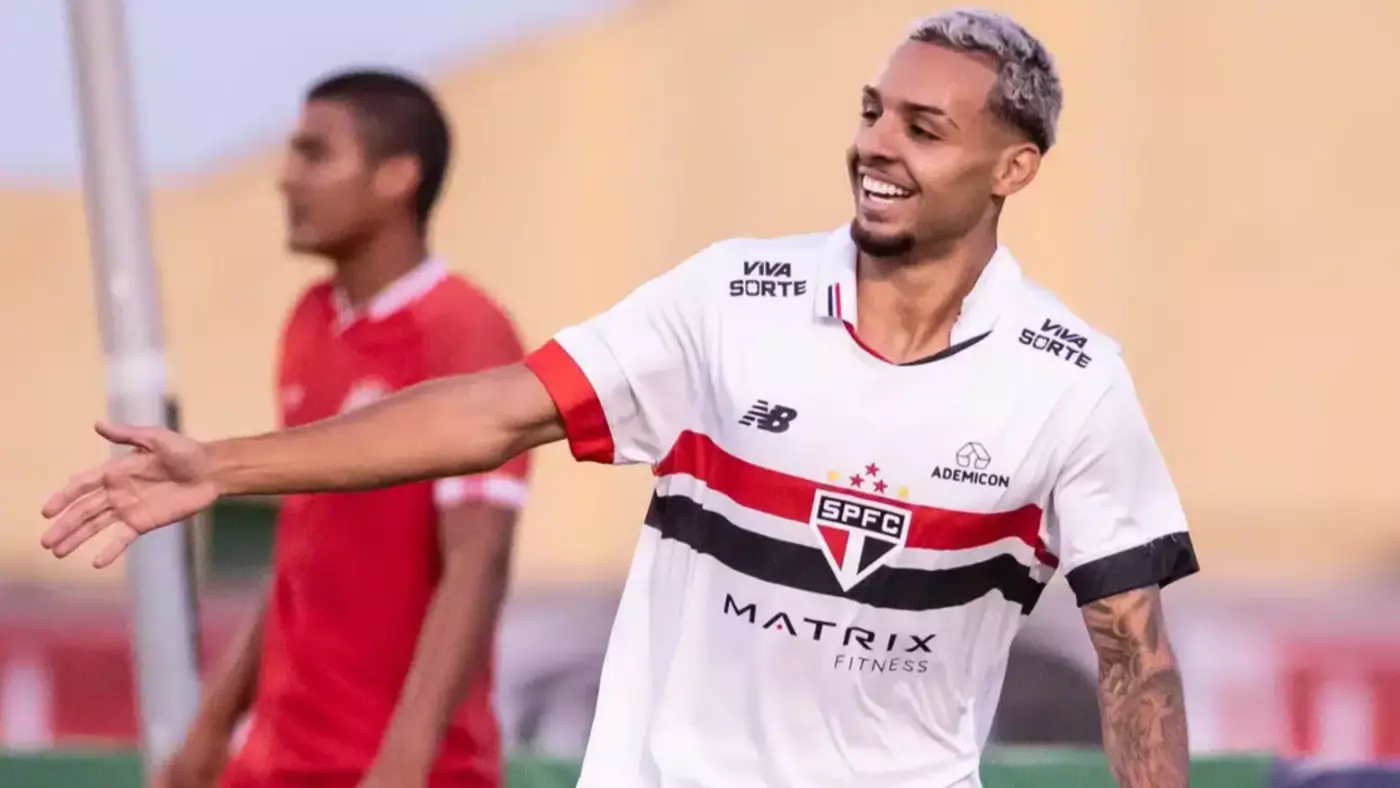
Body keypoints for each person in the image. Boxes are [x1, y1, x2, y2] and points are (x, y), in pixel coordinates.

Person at [41, 11, 1197, 788]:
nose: (873, 145)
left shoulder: (1069, 379)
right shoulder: (728, 297)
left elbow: (1132, 654)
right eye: (871, 111)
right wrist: (220, 465)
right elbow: (493, 411)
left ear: (1012, 167)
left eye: (921, 127)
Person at [153, 70, 531, 788]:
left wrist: (406, 761)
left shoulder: (466, 330)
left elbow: (477, 564)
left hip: (395, 766)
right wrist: (213, 725)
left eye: (314, 154)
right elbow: (303, 545)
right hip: (277, 757)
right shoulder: (310, 320)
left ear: (396, 178)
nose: (286, 178)